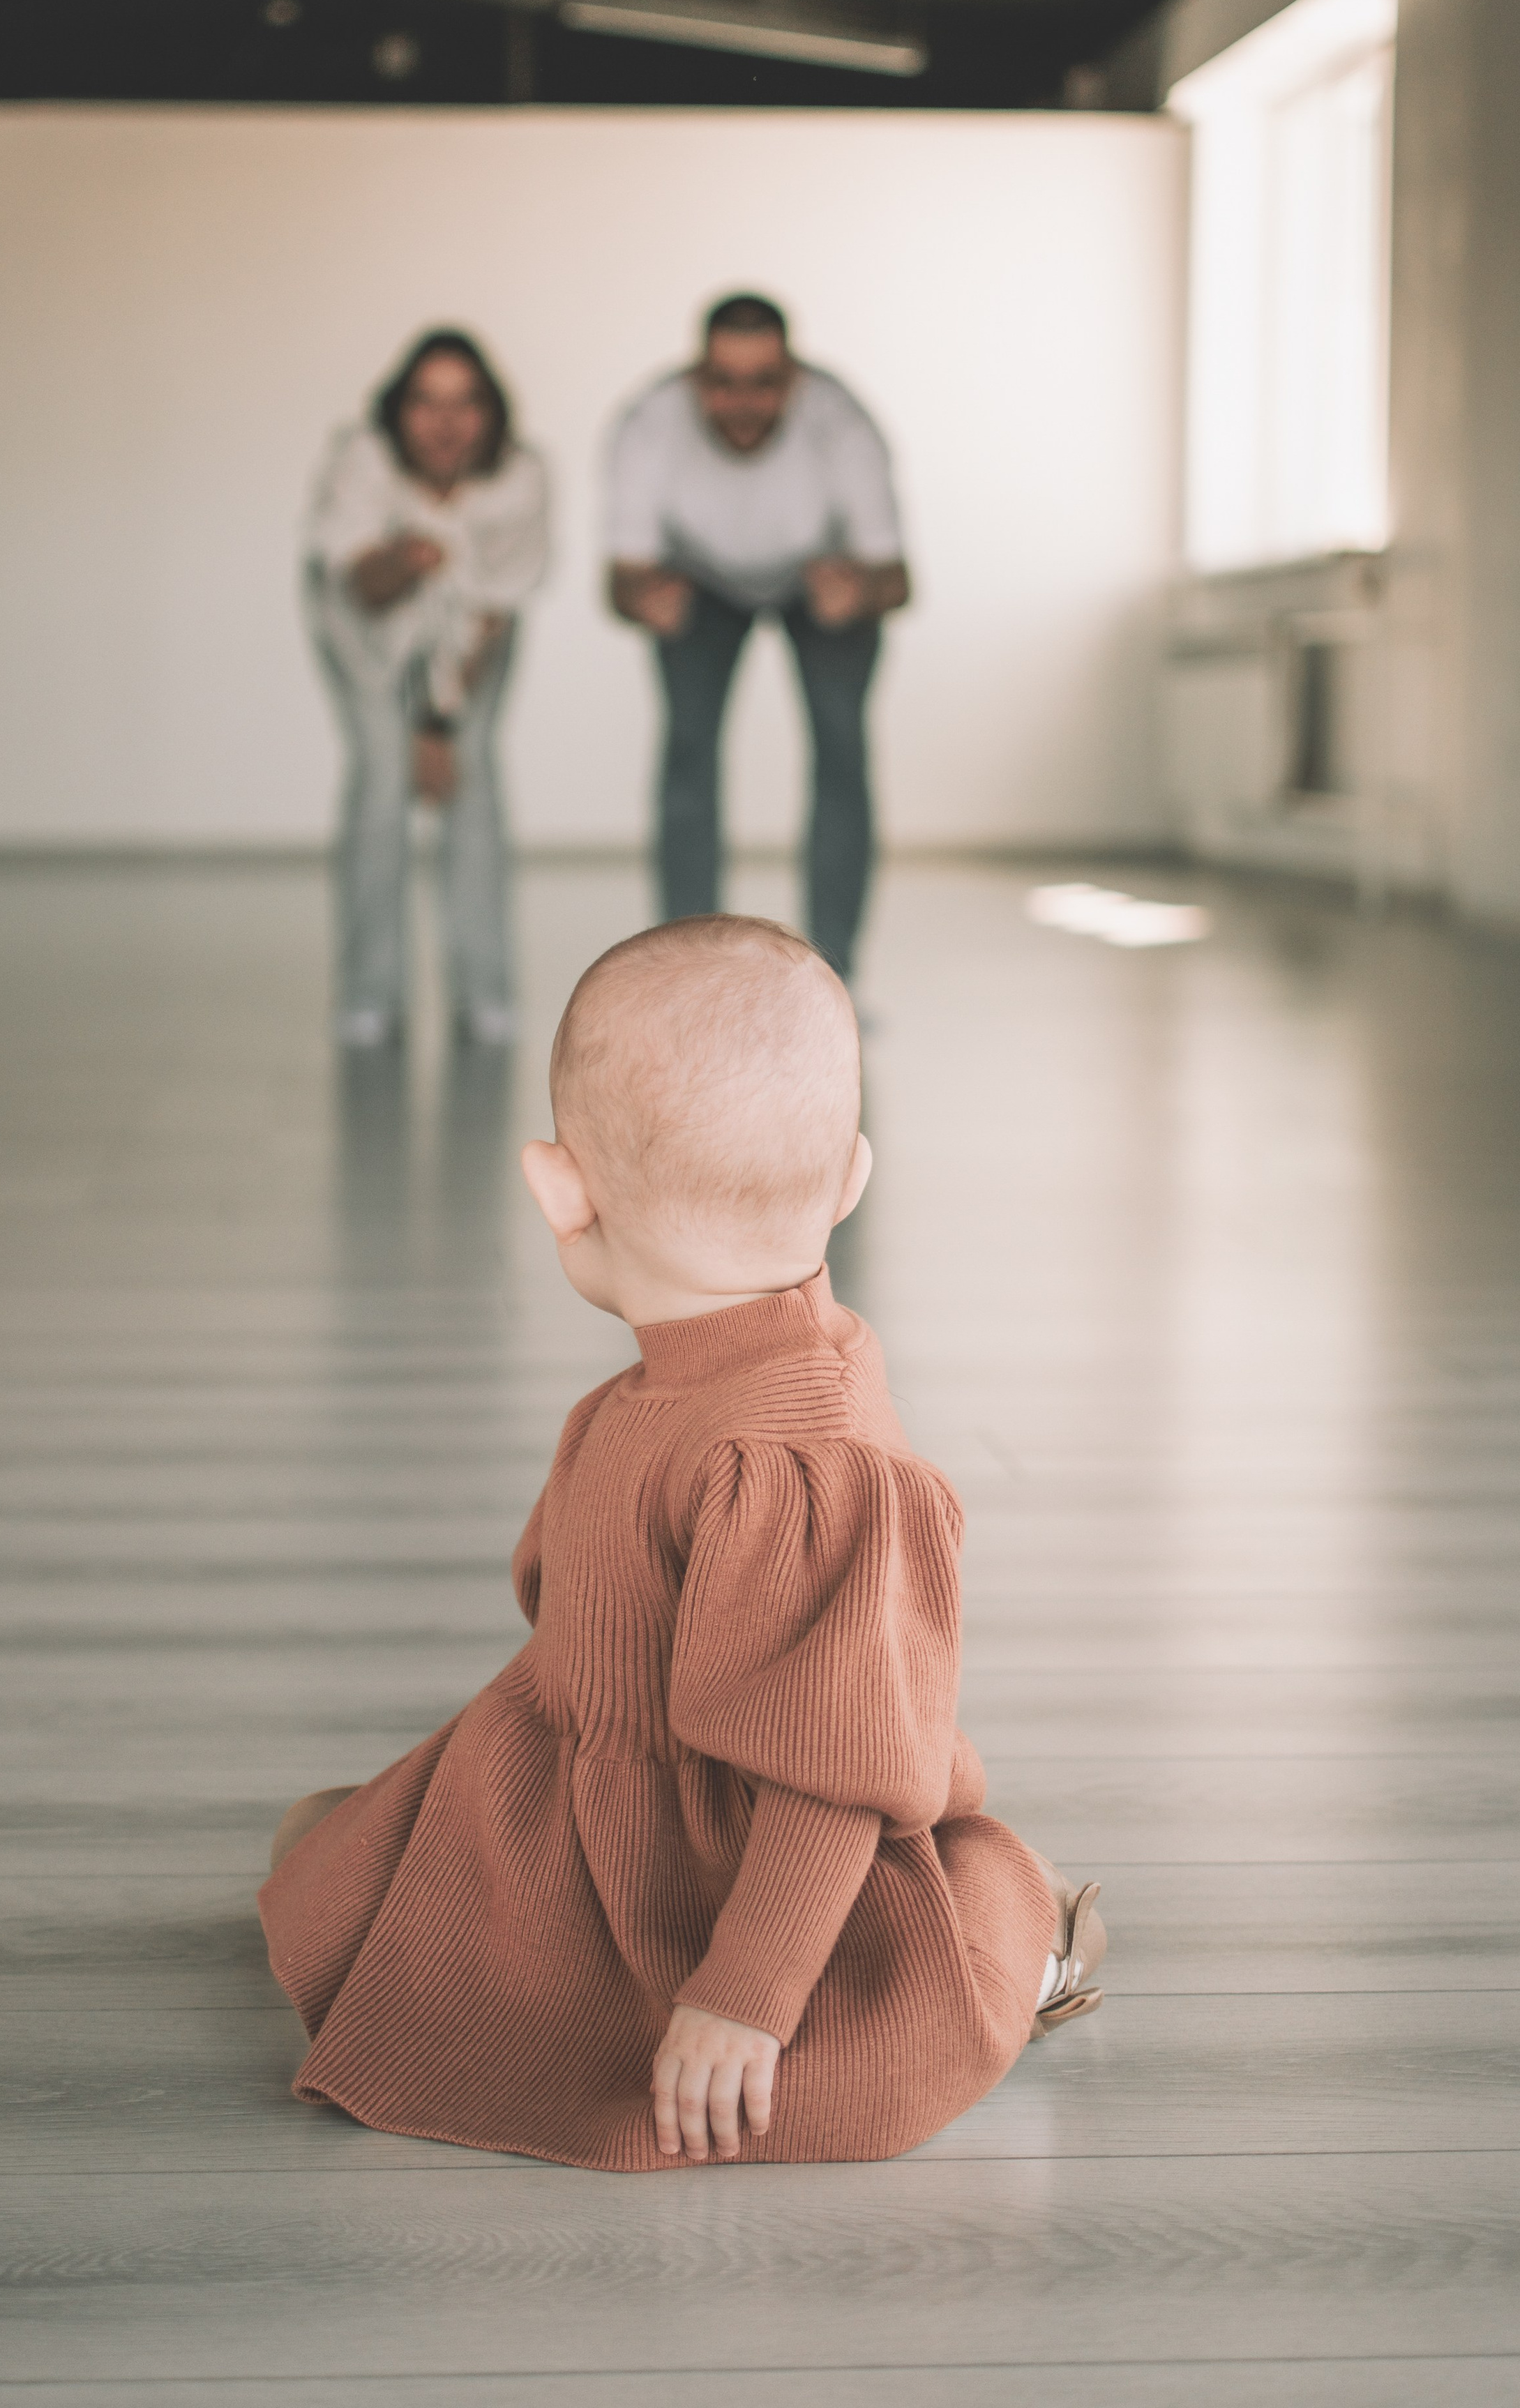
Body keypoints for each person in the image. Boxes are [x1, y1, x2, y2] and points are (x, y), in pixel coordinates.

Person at [259, 916, 1104, 2171]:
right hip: (589, 1784)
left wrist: (745, 1996)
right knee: (322, 1863)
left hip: (755, 1870)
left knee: (916, 1983)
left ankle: (1015, 1949)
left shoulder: (810, 1468)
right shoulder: (657, 1399)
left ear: (559, 1187)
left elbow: (827, 1776)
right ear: (854, 1176)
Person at [605, 294, 912, 985]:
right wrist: (644, 599)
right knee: (688, 757)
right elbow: (619, 582)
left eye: (763, 383)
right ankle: (688, 974)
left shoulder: (845, 428)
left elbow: (898, 578)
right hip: (699, 580)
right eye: (723, 382)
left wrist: (860, 591)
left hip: (822, 578)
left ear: (793, 380)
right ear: (696, 380)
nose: (742, 402)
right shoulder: (647, 428)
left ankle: (835, 978)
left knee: (841, 754)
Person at [303, 329, 548, 1047]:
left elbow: (493, 610)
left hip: (472, 634)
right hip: (365, 628)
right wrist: (405, 561)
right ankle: (368, 994)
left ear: (493, 414)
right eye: (426, 403)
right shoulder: (360, 462)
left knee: (470, 780)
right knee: (381, 777)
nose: (445, 424)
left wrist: (439, 725)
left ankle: (486, 992)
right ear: (397, 412)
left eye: (465, 404)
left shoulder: (522, 480)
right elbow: (361, 586)